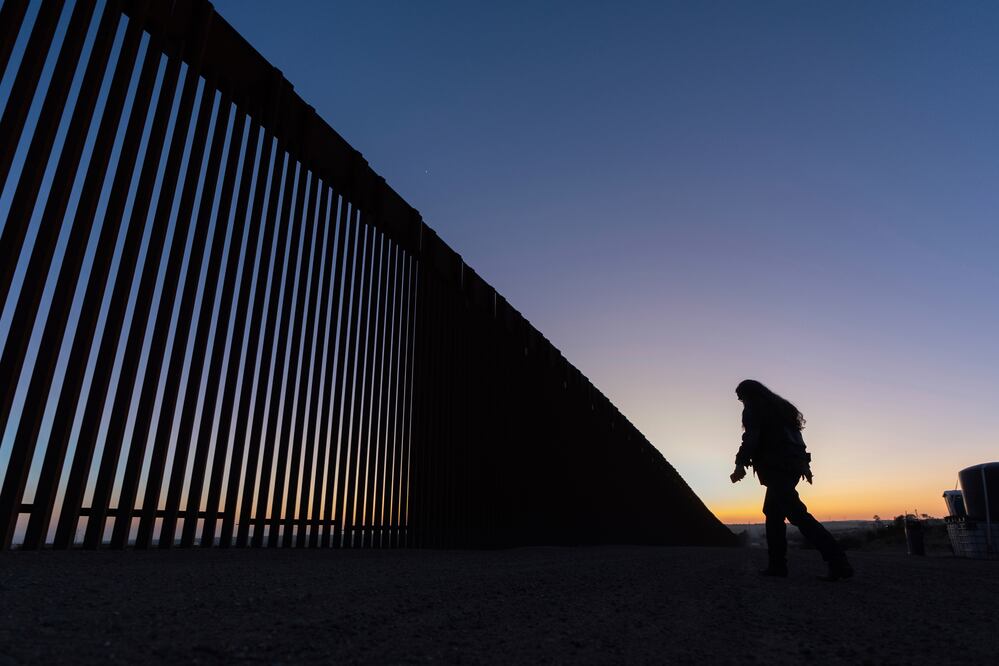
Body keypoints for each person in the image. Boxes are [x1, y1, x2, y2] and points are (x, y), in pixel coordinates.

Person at [730, 379, 853, 581]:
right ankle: (777, 566)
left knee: (797, 514)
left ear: (749, 395)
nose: (742, 402)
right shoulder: (782, 408)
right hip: (793, 467)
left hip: (777, 467)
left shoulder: (755, 408)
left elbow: (751, 438)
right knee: (773, 512)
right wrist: (805, 468)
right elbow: (798, 441)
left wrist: (739, 464)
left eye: (741, 398)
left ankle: (838, 561)